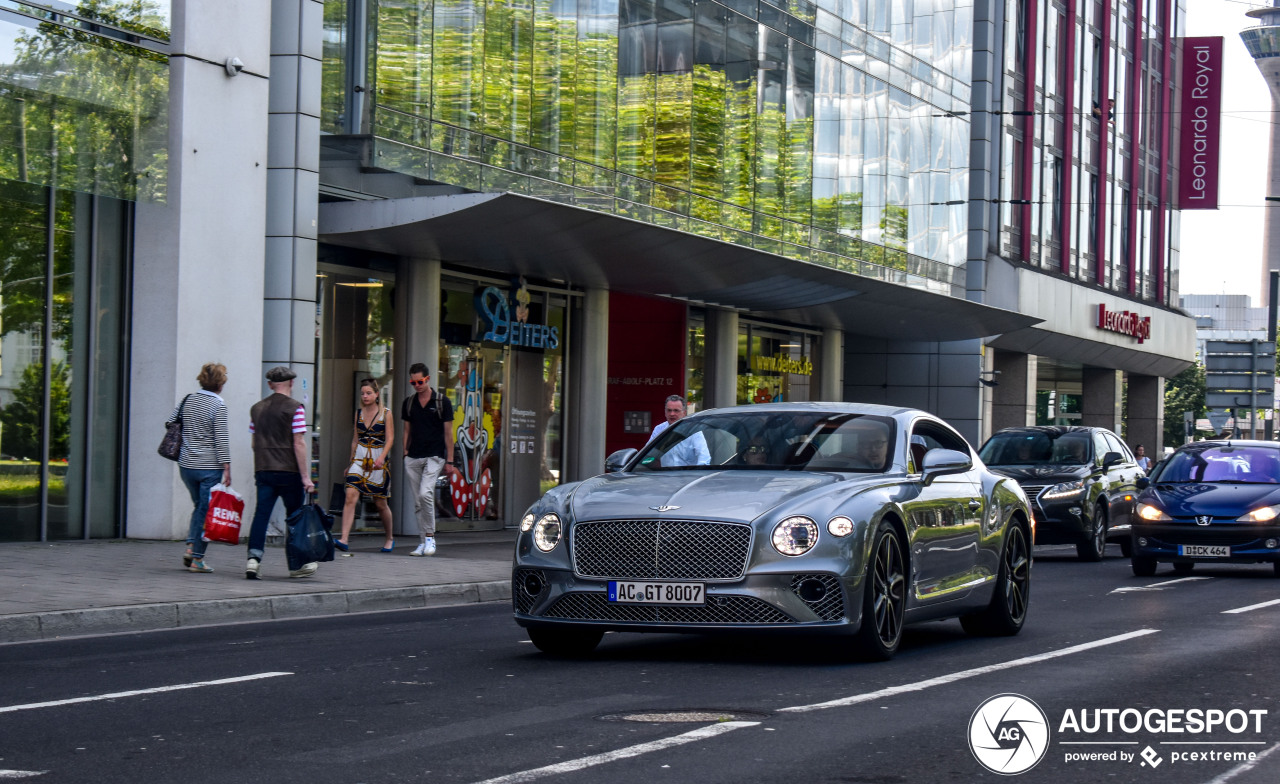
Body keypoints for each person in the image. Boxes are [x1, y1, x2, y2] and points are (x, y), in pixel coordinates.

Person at [245, 366, 317, 579]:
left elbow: (253, 443)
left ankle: (253, 559)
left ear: (270, 384)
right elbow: (299, 443)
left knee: (261, 514)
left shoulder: (256, 409)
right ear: (291, 383)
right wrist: (305, 477)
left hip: (264, 469)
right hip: (289, 471)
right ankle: (297, 564)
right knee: (294, 517)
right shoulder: (296, 408)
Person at [167, 362, 232, 574]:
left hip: (186, 465)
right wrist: (227, 467)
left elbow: (170, 422)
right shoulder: (219, 405)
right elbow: (221, 439)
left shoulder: (187, 399)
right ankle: (196, 557)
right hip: (209, 467)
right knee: (206, 510)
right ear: (220, 384)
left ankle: (191, 545)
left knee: (200, 507)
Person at [401, 363, 456, 557]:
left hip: (435, 455)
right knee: (418, 501)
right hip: (413, 456)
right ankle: (422, 541)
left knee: (425, 493)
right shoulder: (408, 403)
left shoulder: (442, 402)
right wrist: (405, 452)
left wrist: (449, 460)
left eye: (420, 381)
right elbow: (407, 430)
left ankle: (430, 537)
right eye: (413, 382)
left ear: (428, 379)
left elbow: (448, 434)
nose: (417, 385)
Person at [336, 377, 395, 552]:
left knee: (380, 503)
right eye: (363, 393)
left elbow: (390, 439)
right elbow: (355, 440)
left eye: (369, 393)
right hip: (360, 458)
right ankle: (344, 538)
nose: (365, 396)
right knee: (350, 495)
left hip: (377, 458)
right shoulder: (358, 413)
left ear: (377, 394)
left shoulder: (386, 413)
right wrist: (350, 463)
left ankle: (389, 537)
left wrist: (382, 457)